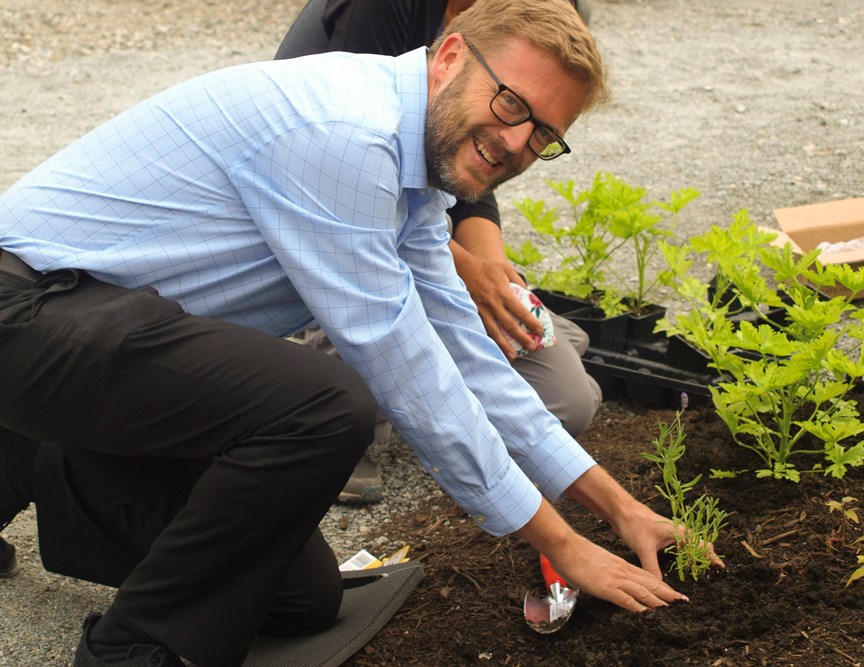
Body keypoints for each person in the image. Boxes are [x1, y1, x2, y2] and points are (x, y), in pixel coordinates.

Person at [0, 0, 720, 664]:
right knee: (323, 405)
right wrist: (565, 546)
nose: (515, 142)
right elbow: (408, 373)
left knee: (300, 599)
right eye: (511, 103)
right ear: (449, 57)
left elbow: (469, 358)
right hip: (28, 308)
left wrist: (621, 509)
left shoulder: (415, 166)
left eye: (545, 134)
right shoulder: (347, 133)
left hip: (100, 336)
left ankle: (58, 453)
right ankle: (128, 651)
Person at [275, 0, 602, 504]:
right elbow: (364, 191)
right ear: (448, 54)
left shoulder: (552, 12)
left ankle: (429, 379)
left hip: (419, 218)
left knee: (567, 402)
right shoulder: (382, 24)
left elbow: (476, 165)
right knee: (374, 357)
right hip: (330, 214)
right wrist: (465, 274)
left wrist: (492, 273)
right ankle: (336, 413)